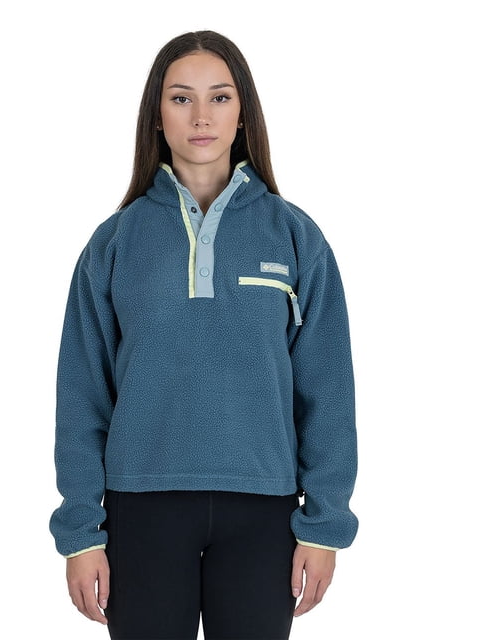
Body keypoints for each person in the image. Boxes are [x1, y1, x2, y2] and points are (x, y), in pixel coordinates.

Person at [49, 29, 359, 640]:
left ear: (243, 113)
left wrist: (325, 526)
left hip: (264, 512)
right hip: (140, 507)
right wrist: (81, 533)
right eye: (180, 98)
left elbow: (328, 391)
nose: (200, 117)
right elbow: (81, 395)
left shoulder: (295, 237)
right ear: (156, 115)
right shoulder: (114, 243)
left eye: (219, 97)